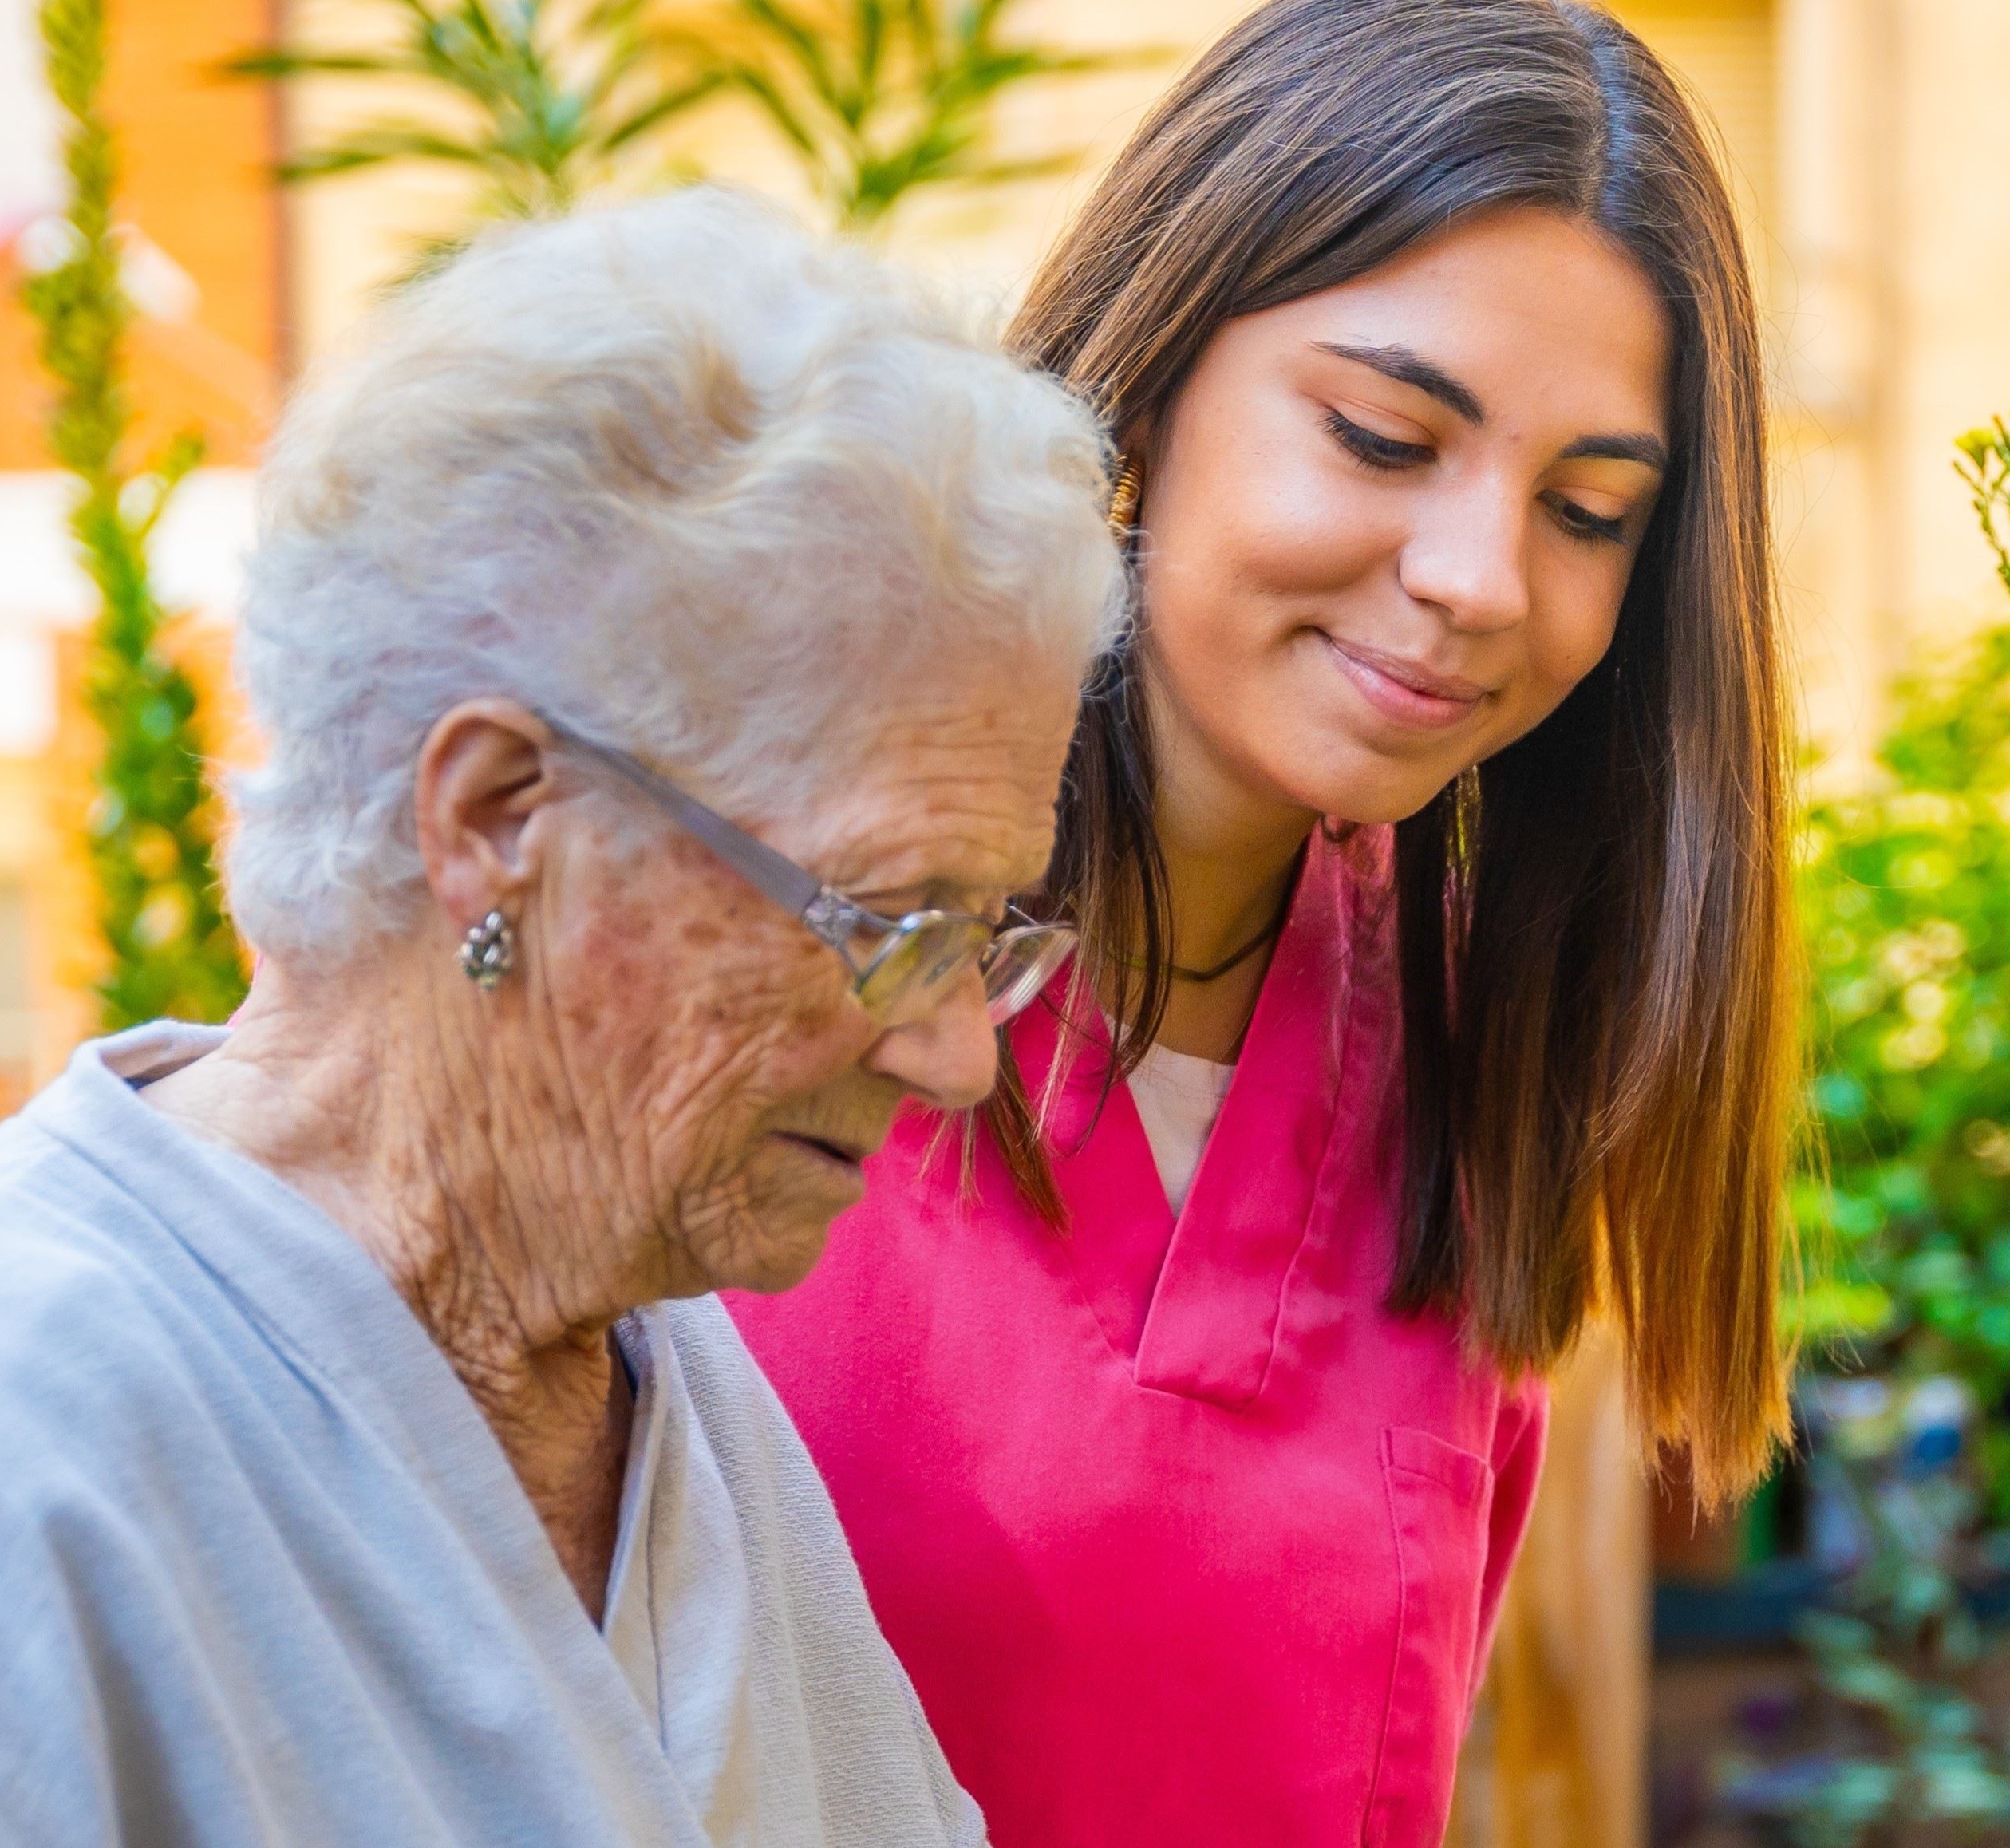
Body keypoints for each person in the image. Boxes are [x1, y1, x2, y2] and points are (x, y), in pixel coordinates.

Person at [0, 189, 1124, 1847]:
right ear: (502, 821)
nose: (958, 1051)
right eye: (887, 921)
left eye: (985, 935)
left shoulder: (672, 1382)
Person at [726, 3, 1799, 1842]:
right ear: (1154, 373)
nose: (1480, 580)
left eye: (1588, 510)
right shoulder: (738, 912)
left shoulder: (1480, 1056)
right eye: (1385, 438)